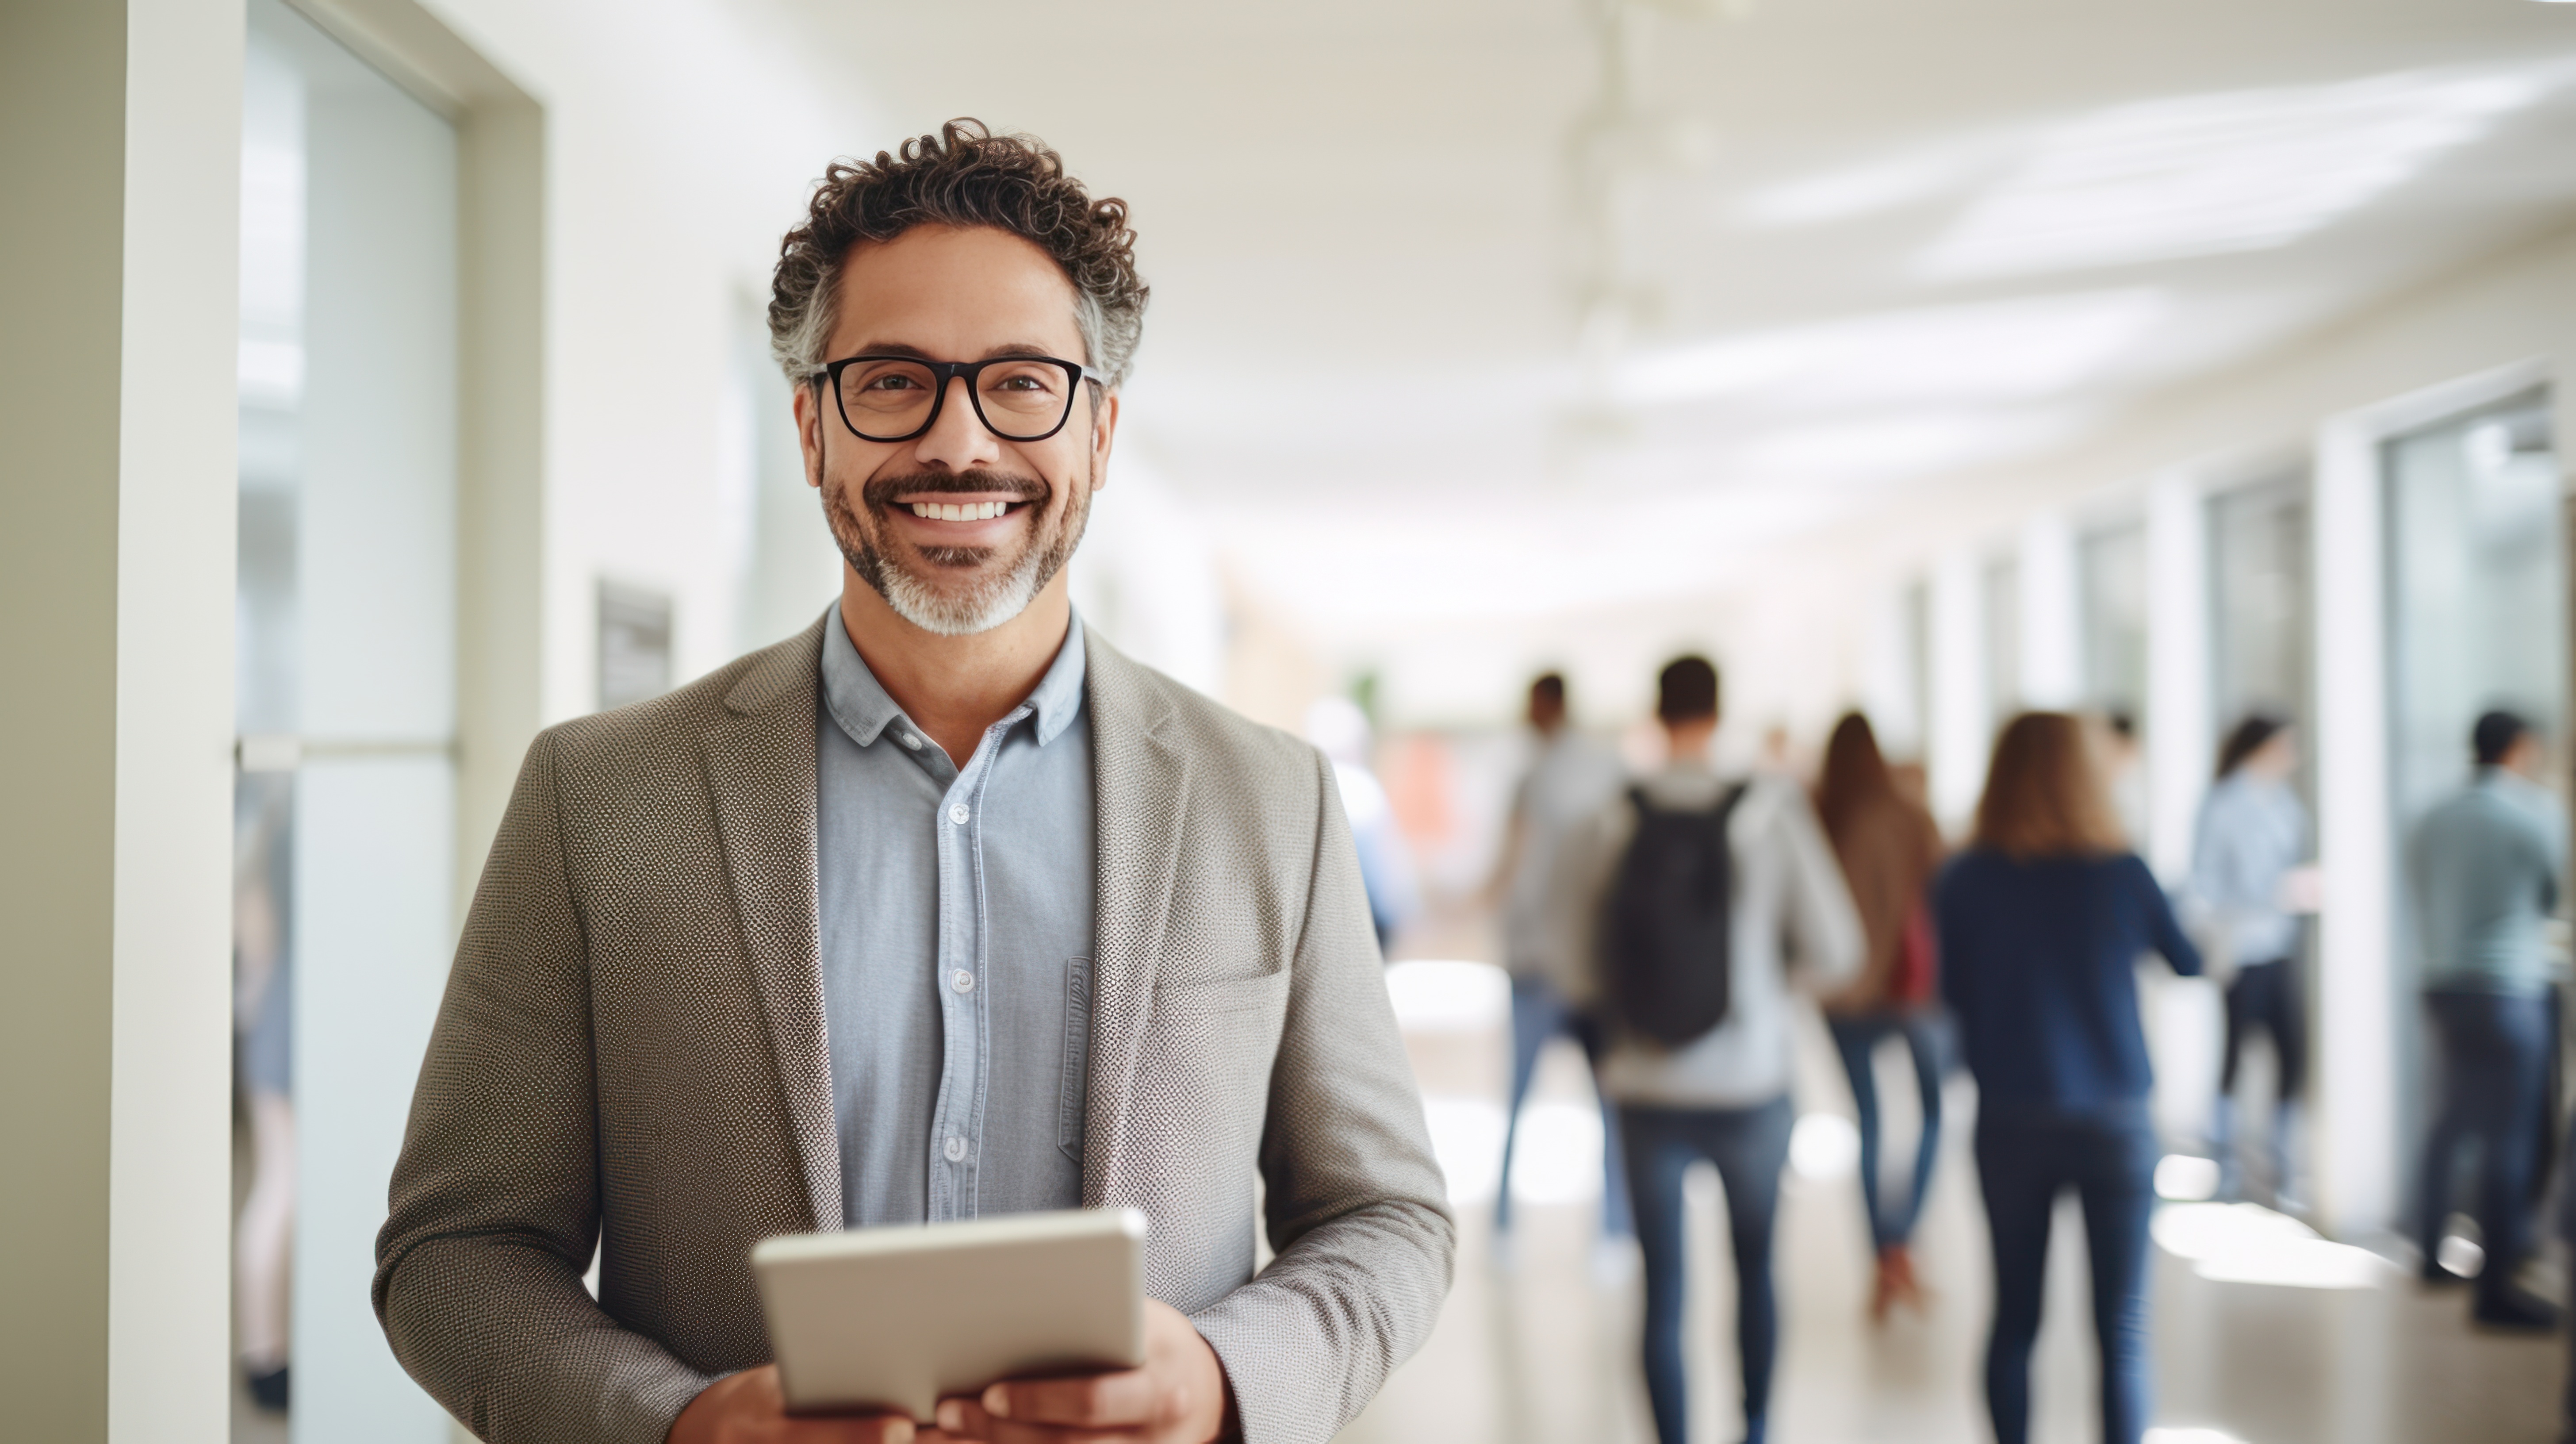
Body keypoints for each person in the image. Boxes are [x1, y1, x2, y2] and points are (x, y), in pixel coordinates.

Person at [372, 121, 1453, 1444]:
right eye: (892, 381)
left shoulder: (1267, 798)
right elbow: (456, 1249)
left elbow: (1387, 1217)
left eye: (1019, 383)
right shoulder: (598, 798)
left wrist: (1226, 1381)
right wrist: (679, 1423)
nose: (958, 443)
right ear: (811, 425)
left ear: (1100, 431)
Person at [1560, 656, 1863, 1444]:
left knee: (1661, 1288)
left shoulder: (1612, 813)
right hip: (1750, 1081)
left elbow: (1574, 961)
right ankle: (1754, 1425)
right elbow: (1838, 945)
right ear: (1717, 711)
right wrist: (1764, 979)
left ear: (1655, 714)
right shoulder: (1768, 808)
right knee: (1755, 1268)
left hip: (1642, 1083)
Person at [1938, 712, 2200, 1444]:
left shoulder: (1963, 877)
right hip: (2113, 1114)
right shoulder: (2118, 871)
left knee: (2013, 1315)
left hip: (2010, 1113)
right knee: (2118, 1327)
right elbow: (2186, 959)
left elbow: (1949, 993)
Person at [2409, 709, 2566, 1329]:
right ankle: (2495, 1286)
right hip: (2508, 990)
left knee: (2449, 1120)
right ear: (2521, 749)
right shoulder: (2531, 812)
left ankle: (2429, 1252)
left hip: (2443, 985)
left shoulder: (2429, 816)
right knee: (2510, 1138)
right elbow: (2552, 894)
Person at [1488, 672, 1632, 1254]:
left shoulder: (1532, 778)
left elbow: (1511, 862)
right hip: (1598, 965)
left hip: (1537, 964)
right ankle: (1614, 1233)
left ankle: (1503, 1229)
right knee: (1608, 1106)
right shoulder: (1610, 768)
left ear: (1546, 706)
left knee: (1517, 1098)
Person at [1813, 712, 1948, 1321]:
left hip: (1842, 995)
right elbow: (1947, 890)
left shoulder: (1818, 813)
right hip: (1911, 992)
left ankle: (1882, 1253)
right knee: (1932, 1113)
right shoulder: (1909, 812)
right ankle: (1900, 1242)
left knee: (1868, 1121)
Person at [2190, 713, 2319, 1205]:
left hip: (2278, 945)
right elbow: (2211, 883)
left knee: (2291, 1054)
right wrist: (2278, 892)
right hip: (2240, 948)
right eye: (2286, 746)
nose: (2292, 757)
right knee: (2233, 1055)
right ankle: (2224, 1165)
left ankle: (2281, 1167)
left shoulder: (2282, 802)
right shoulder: (2224, 804)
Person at [1304, 694, 1420, 950]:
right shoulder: (1361, 790)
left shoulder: (1301, 787)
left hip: (1316, 927)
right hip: (1360, 923)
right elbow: (1383, 870)